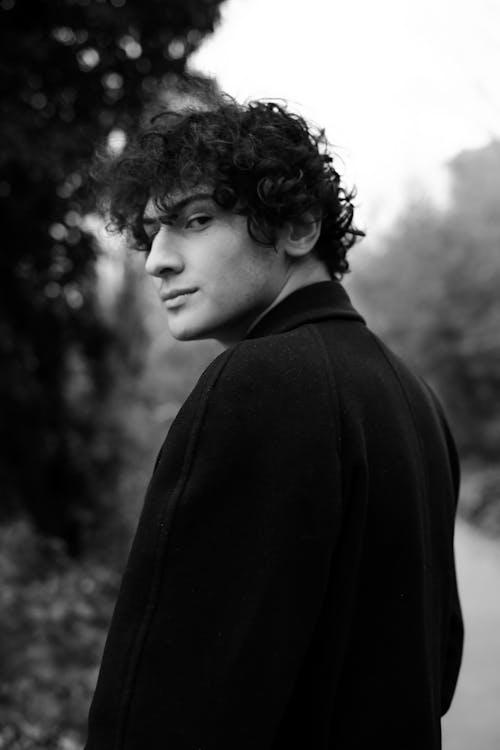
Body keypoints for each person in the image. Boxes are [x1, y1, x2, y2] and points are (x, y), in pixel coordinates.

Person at [85, 83, 463, 750]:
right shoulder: (412, 396)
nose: (157, 260)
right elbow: (436, 671)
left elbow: (167, 706)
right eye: (151, 231)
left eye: (195, 221)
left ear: (297, 226)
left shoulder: (259, 382)